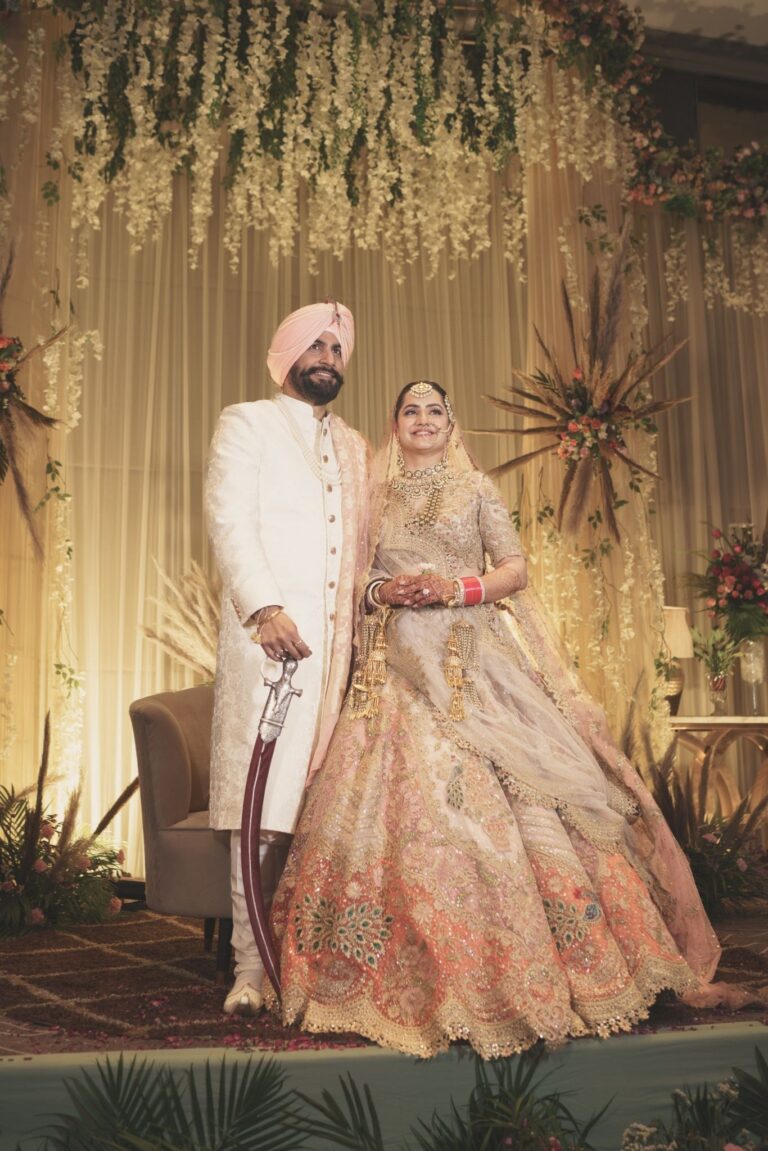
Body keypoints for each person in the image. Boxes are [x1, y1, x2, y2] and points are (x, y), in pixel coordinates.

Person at [266, 379, 724, 1058]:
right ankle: (398, 975)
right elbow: (348, 578)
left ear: (452, 426)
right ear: (395, 426)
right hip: (394, 671)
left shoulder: (475, 490)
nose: (424, 419)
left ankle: (555, 967)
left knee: (522, 796)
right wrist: (383, 588)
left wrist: (456, 587)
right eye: (411, 411)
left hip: (471, 662)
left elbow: (516, 569)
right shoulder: (373, 499)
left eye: (436, 411)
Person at [204, 301, 369, 1016]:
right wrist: (264, 607)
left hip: (340, 656)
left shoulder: (356, 448)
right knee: (262, 809)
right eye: (316, 345)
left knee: (324, 814)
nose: (328, 356)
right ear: (289, 354)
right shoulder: (248, 421)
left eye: (338, 347)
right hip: (269, 642)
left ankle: (311, 961)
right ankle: (250, 968)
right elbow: (228, 518)